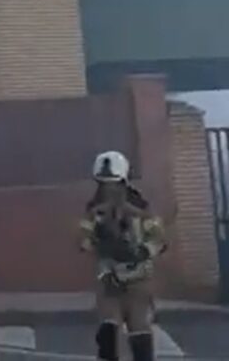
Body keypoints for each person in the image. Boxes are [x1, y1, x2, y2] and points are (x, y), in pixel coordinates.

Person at [79, 150, 166, 361]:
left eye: (113, 183)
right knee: (108, 330)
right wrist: (97, 242)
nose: (108, 189)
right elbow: (83, 240)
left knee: (139, 330)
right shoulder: (94, 210)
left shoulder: (142, 209)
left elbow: (159, 240)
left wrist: (143, 250)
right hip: (109, 278)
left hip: (138, 278)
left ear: (123, 181)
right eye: (103, 183)